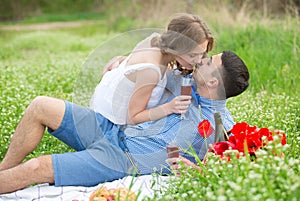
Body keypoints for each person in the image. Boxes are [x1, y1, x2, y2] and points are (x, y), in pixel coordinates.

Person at [0, 50, 249, 194]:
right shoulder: (185, 82)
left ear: (214, 82)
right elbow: (153, 64)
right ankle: (3, 169)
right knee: (41, 105)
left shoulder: (221, 127)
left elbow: (224, 175)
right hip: (112, 130)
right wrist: (122, 61)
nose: (201, 60)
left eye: (208, 62)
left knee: (37, 168)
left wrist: (194, 170)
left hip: (122, 160)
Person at [90, 13, 213, 125]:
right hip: (108, 123)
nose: (198, 60)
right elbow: (132, 118)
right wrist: (169, 108)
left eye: (201, 54)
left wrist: (121, 59)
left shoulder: (156, 41)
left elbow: (133, 66)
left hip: (104, 101)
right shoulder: (151, 71)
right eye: (192, 55)